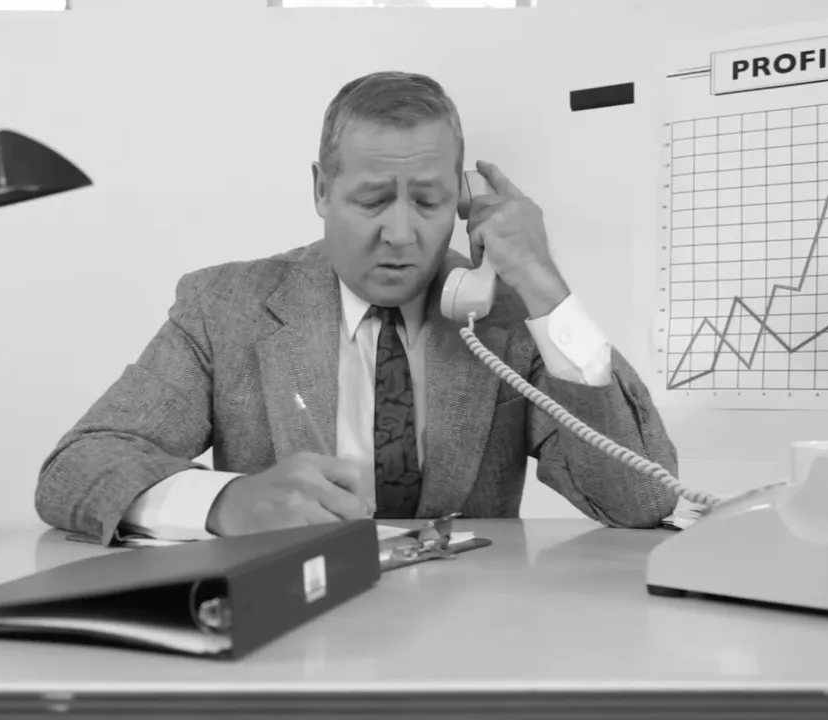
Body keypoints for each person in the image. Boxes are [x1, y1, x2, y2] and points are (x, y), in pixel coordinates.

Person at [35, 71, 680, 544]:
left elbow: (640, 500)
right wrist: (227, 502)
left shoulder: (509, 321)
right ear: (321, 189)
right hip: (288, 631)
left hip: (471, 631)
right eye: (372, 200)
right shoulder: (222, 307)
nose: (400, 233)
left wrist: (544, 286)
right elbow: (74, 470)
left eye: (427, 202)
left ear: (462, 198)